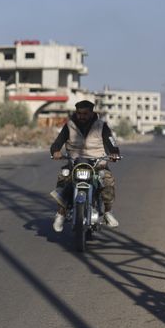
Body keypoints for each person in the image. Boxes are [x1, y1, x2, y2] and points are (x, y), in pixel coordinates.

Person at [49, 100, 121, 233]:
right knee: (63, 179)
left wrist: (114, 154)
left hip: (97, 164)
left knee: (107, 181)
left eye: (85, 113)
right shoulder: (69, 126)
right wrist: (55, 152)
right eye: (79, 113)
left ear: (92, 112)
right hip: (75, 163)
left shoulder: (101, 126)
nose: (81, 116)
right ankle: (61, 213)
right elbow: (57, 143)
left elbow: (112, 143)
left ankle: (108, 212)